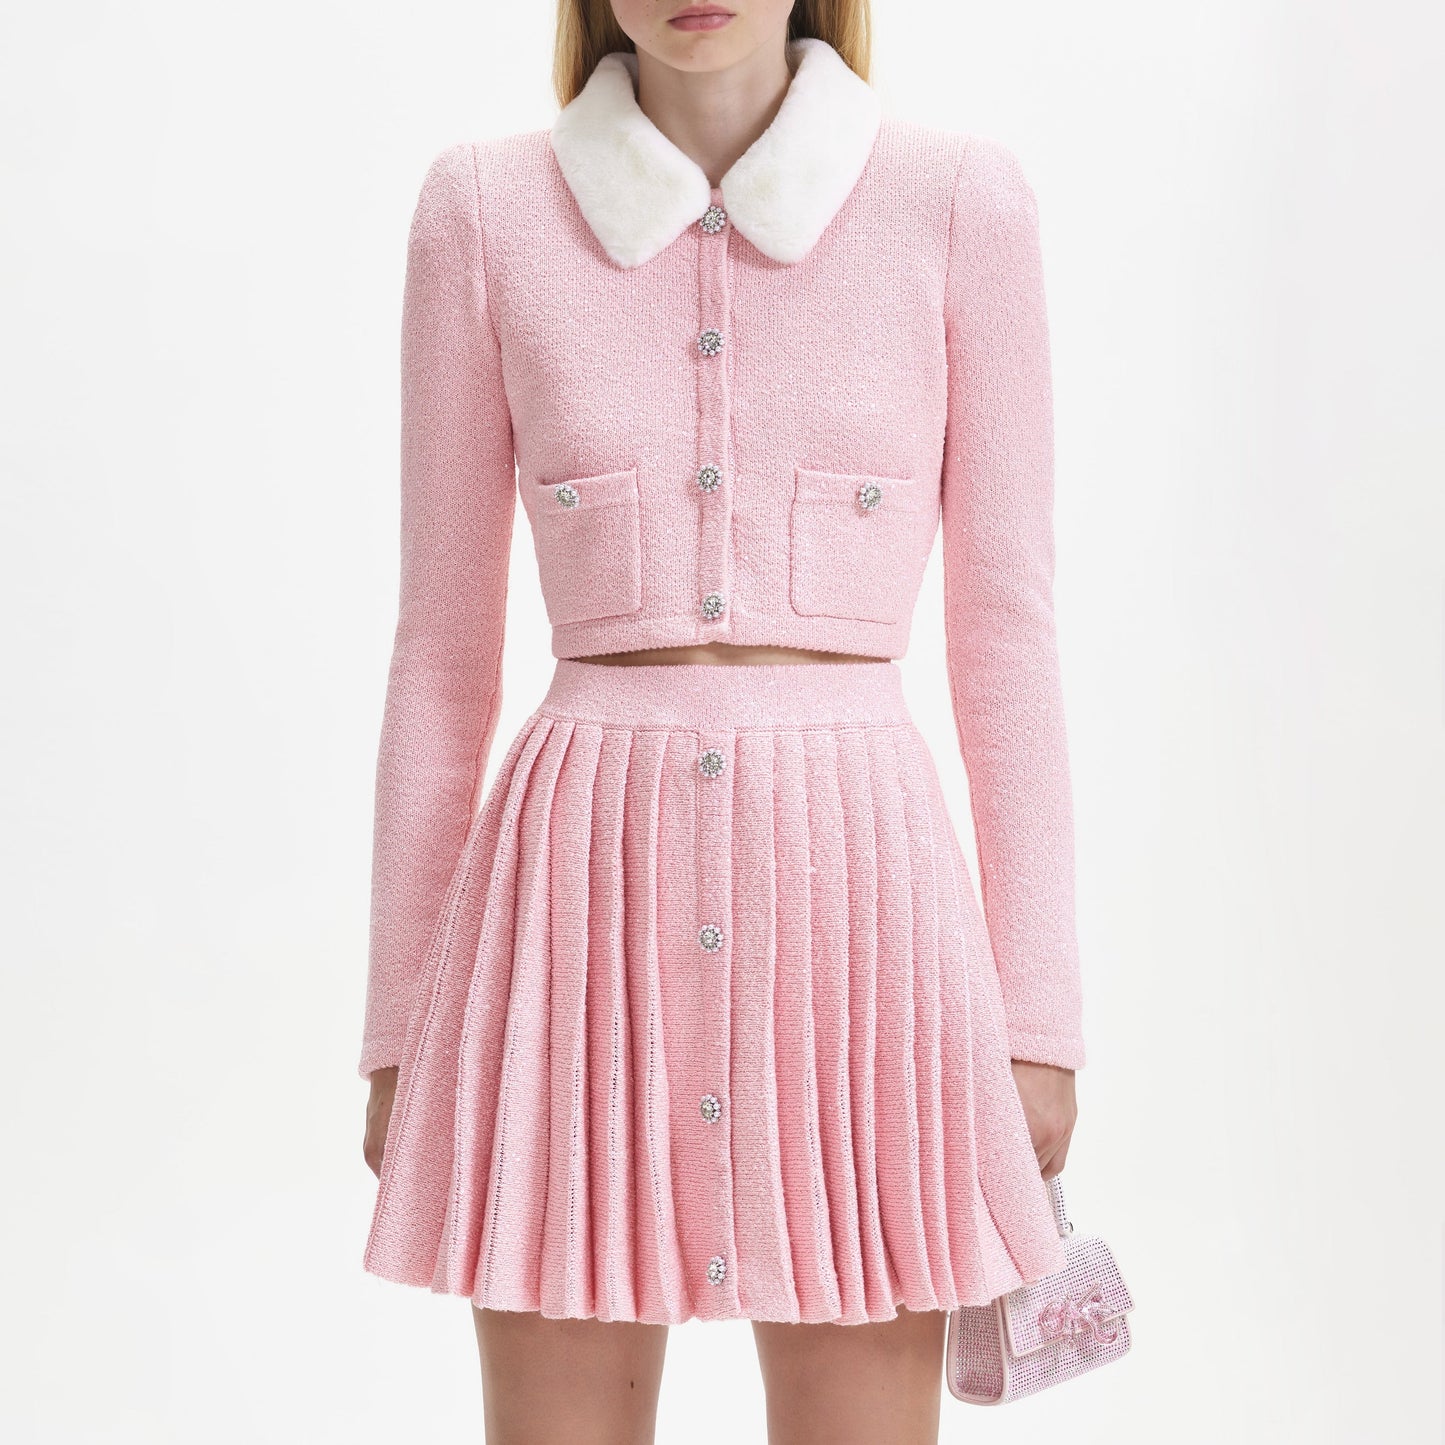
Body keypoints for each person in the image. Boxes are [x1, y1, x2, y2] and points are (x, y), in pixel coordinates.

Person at [358, 2, 1086, 1441]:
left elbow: (1009, 642)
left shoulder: (957, 204)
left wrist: (1038, 1017)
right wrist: (398, 1026)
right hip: (569, 930)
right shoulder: (483, 213)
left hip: (863, 930)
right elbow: (439, 657)